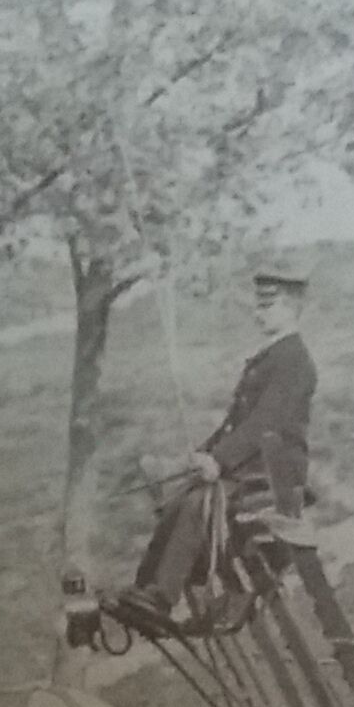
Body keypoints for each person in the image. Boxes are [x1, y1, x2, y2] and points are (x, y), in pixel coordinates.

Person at [119, 263, 317, 634]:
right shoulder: (272, 356)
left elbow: (265, 423)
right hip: (249, 466)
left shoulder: (294, 360)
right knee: (182, 498)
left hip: (273, 474)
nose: (258, 312)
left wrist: (220, 460)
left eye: (267, 305)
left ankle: (163, 597)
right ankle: (145, 589)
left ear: (291, 306)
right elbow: (235, 422)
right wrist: (203, 454)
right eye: (259, 305)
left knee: (199, 505)